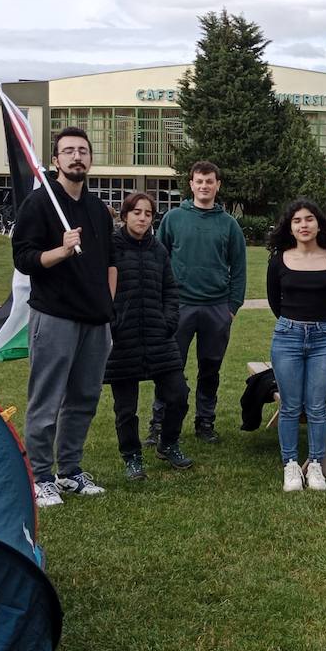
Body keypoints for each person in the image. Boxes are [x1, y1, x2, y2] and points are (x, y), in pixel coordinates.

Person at [12, 126, 118, 508]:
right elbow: (23, 259)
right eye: (68, 151)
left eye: (83, 151)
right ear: (55, 160)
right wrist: (60, 250)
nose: (77, 157)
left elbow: (110, 263)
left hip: (95, 320)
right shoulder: (39, 204)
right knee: (47, 400)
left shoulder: (98, 209)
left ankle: (70, 471)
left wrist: (108, 307)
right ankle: (41, 476)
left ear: (90, 159)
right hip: (54, 316)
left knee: (84, 398)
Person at [150, 161, 247, 446]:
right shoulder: (174, 219)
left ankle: (205, 420)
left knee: (210, 368)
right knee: (169, 367)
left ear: (218, 185)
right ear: (191, 184)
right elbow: (158, 261)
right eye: (199, 181)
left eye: (210, 181)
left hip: (217, 308)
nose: (204, 186)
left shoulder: (229, 225)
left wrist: (232, 306)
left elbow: (239, 268)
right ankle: (160, 421)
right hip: (179, 307)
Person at [104, 192, 194, 482]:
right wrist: (113, 322)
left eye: (148, 213)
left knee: (178, 395)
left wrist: (169, 321)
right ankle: (131, 456)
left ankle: (168, 443)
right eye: (136, 212)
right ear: (125, 215)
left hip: (159, 336)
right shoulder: (111, 248)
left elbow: (171, 290)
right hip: (123, 340)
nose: (142, 218)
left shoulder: (158, 250)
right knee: (126, 408)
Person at [266, 198, 326, 492]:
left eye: (309, 219)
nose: (304, 225)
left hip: (323, 338)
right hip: (287, 336)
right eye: (297, 220)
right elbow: (275, 301)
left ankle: (315, 465)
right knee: (290, 406)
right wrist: (296, 324)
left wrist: (316, 323)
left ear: (318, 224)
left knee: (316, 406)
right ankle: (290, 465)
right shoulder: (279, 259)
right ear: (290, 227)